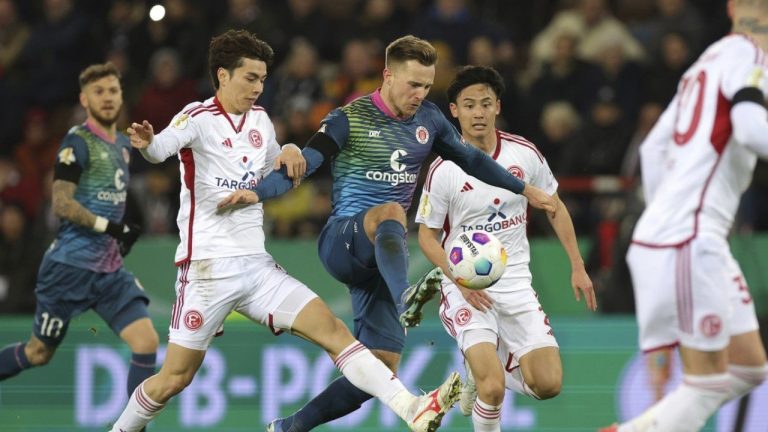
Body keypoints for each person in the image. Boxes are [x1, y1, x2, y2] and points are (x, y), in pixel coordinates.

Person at [109, 30, 461, 432]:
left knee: (335, 332)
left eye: (262, 79)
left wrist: (292, 150)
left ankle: (411, 407)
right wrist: (148, 142)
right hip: (207, 270)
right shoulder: (197, 118)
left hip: (257, 268)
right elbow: (160, 148)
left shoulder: (260, 120)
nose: (258, 88)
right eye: (250, 78)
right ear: (223, 76)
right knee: (176, 378)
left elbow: (281, 166)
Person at [219, 35, 558, 432]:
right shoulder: (350, 117)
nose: (420, 94)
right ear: (387, 75)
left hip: (383, 253)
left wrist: (523, 188)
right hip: (342, 241)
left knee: (378, 367)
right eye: (413, 84)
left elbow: (471, 160)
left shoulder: (429, 120)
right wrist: (256, 193)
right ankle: (406, 296)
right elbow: (306, 164)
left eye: (427, 86)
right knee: (392, 212)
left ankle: (289, 427)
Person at [602, 1, 768, 430]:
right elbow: (751, 129)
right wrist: (681, 225)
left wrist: (667, 216)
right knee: (707, 384)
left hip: (682, 235)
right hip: (688, 239)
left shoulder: (707, 62)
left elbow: (653, 149)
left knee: (749, 368)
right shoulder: (753, 54)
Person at [413, 65, 596, 432]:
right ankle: (481, 377)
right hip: (465, 286)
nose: (478, 113)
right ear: (454, 111)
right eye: (469, 105)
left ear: (497, 106)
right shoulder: (444, 168)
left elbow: (554, 207)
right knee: (492, 388)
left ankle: (475, 375)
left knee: (548, 384)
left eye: (485, 104)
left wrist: (577, 264)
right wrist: (459, 281)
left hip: (514, 283)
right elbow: (426, 238)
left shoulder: (524, 154)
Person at [0, 63, 159, 401]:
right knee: (38, 353)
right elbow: (61, 203)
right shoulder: (77, 140)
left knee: (147, 342)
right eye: (98, 92)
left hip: (108, 271)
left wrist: (119, 235)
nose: (107, 98)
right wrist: (111, 227)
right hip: (69, 268)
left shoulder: (123, 146)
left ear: (121, 97)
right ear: (84, 99)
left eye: (113, 91)